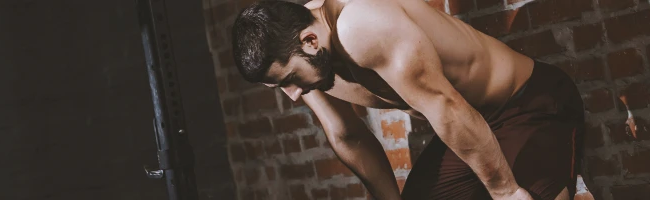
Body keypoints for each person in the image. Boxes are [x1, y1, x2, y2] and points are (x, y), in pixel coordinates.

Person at [230, 0, 585, 199]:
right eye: (280, 87)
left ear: (309, 41)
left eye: (290, 80)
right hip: (469, 124)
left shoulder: (359, 24)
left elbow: (445, 105)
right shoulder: (307, 57)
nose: (293, 95)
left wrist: (506, 193)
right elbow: (347, 136)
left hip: (527, 102)